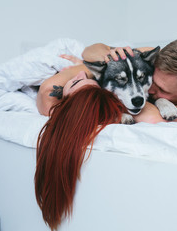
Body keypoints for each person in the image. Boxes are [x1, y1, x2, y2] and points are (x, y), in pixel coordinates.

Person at [35, 66, 127, 230]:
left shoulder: (52, 105)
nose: (81, 73)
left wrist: (83, 64)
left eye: (75, 81)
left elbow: (45, 90)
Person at [81, 38, 177, 122]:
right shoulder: (152, 59)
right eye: (152, 81)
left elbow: (152, 118)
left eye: (162, 90)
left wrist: (161, 101)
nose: (150, 89)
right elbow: (91, 50)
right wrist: (107, 59)